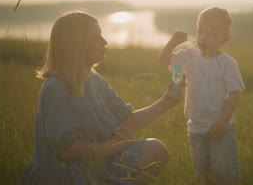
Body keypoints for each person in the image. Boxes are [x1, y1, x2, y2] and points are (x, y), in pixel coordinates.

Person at [21, 10, 183, 185]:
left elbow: (127, 119)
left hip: (101, 163)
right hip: (68, 174)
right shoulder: (56, 88)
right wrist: (112, 145)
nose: (105, 42)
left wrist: (165, 102)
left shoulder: (95, 80)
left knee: (156, 151)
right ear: (77, 45)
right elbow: (67, 151)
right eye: (97, 38)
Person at [158, 6, 245, 185]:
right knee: (202, 174)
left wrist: (222, 121)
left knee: (224, 174)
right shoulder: (189, 55)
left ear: (225, 39)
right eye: (201, 32)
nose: (204, 37)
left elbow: (234, 94)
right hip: (196, 128)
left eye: (212, 34)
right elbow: (164, 60)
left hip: (220, 128)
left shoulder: (228, 63)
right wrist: (173, 42)